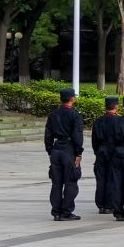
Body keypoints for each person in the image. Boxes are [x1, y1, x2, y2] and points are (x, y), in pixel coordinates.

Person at [44, 87, 84, 221]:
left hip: (56, 149)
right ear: (72, 99)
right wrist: (78, 153)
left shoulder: (53, 114)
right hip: (69, 149)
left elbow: (48, 134)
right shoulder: (75, 114)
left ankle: (56, 211)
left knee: (56, 183)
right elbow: (77, 135)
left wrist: (50, 150)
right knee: (71, 181)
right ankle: (66, 211)